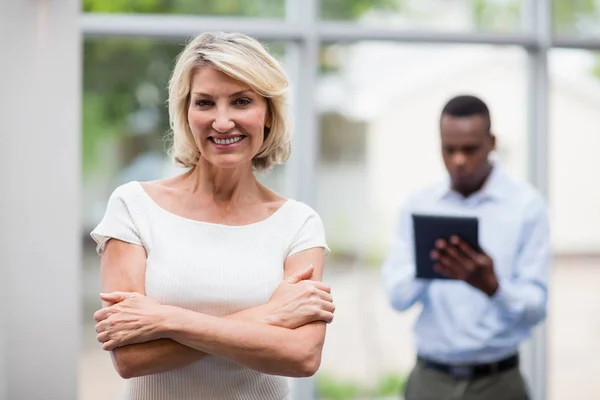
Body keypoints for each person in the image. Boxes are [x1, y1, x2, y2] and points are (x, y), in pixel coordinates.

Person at [90, 31, 334, 400]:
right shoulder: (133, 206)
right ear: (186, 113)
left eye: (241, 101)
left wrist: (166, 320)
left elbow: (301, 356)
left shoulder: (298, 224)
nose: (222, 122)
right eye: (205, 103)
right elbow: (130, 357)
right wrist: (268, 316)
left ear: (268, 113)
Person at [382, 95, 551, 400]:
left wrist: (494, 286)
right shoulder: (419, 204)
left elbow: (536, 308)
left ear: (491, 142)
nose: (459, 160)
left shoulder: (526, 206)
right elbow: (397, 297)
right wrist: (432, 261)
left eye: (470, 149)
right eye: (449, 149)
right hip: (430, 380)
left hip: (499, 382)